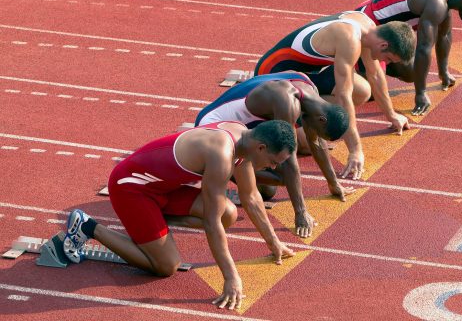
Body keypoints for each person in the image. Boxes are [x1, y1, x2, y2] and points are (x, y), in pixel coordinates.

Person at [61, 120, 296, 311]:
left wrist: (274, 243)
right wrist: (231, 277)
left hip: (162, 188)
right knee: (166, 266)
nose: (273, 168)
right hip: (131, 188)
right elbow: (211, 224)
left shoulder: (243, 139)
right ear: (261, 148)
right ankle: (88, 227)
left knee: (229, 213)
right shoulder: (222, 154)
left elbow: (252, 197)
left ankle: (150, 227)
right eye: (274, 162)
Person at [254, 11, 415, 180]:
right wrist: (355, 150)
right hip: (273, 74)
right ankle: (295, 113)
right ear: (383, 45)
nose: (386, 64)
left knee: (362, 91)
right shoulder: (350, 39)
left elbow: (375, 75)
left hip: (307, 72)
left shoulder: (370, 30)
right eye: (388, 59)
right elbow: (343, 96)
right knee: (305, 144)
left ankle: (305, 108)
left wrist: (391, 114)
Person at [195, 71, 352, 238]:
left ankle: (232, 173)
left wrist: (334, 183)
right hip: (212, 127)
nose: (317, 136)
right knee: (283, 177)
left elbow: (316, 142)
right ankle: (219, 173)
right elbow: (289, 160)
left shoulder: (309, 90)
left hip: (239, 129)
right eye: (321, 133)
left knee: (269, 189)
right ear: (322, 120)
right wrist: (301, 212)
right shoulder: (287, 102)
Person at [357, 0, 462, 115]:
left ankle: (367, 67)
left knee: (411, 72)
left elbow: (444, 34)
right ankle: (347, 70)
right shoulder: (436, 3)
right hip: (368, 27)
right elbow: (424, 48)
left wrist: (443, 71)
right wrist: (420, 93)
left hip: (384, 33)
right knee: (369, 92)